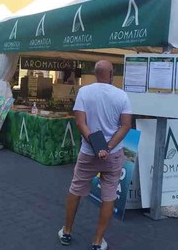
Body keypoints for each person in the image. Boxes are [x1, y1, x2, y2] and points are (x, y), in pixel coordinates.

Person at [58, 60, 132, 250]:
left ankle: (67, 232)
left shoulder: (84, 92)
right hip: (112, 155)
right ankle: (97, 242)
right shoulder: (122, 96)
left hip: (88, 153)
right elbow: (126, 125)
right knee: (108, 196)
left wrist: (95, 144)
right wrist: (108, 146)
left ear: (95, 73)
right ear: (111, 73)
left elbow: (80, 123)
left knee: (76, 190)